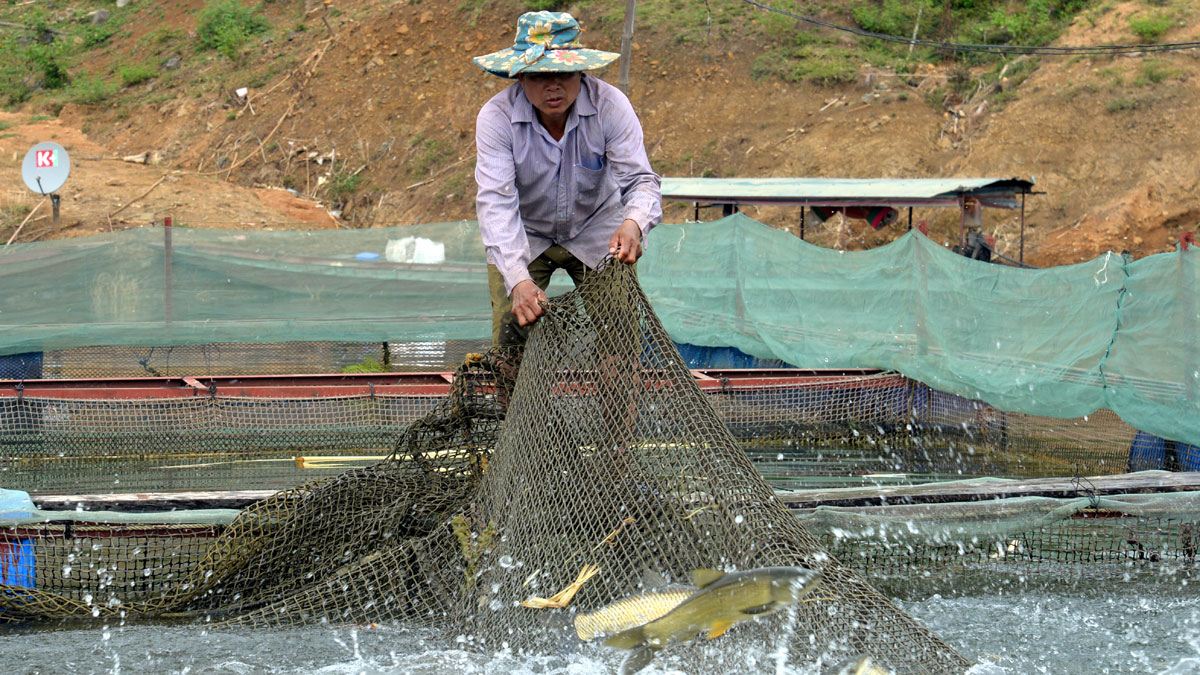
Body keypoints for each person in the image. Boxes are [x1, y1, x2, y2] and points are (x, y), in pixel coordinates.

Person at [473, 11, 662, 347]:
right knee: (512, 333)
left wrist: (634, 223)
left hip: (597, 230)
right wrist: (518, 281)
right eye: (540, 75)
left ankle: (618, 399)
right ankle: (513, 398)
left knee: (618, 333)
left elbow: (641, 180)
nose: (553, 86)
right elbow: (497, 203)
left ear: (581, 72)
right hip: (525, 233)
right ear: (520, 77)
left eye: (564, 73)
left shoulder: (610, 106)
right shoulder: (496, 118)